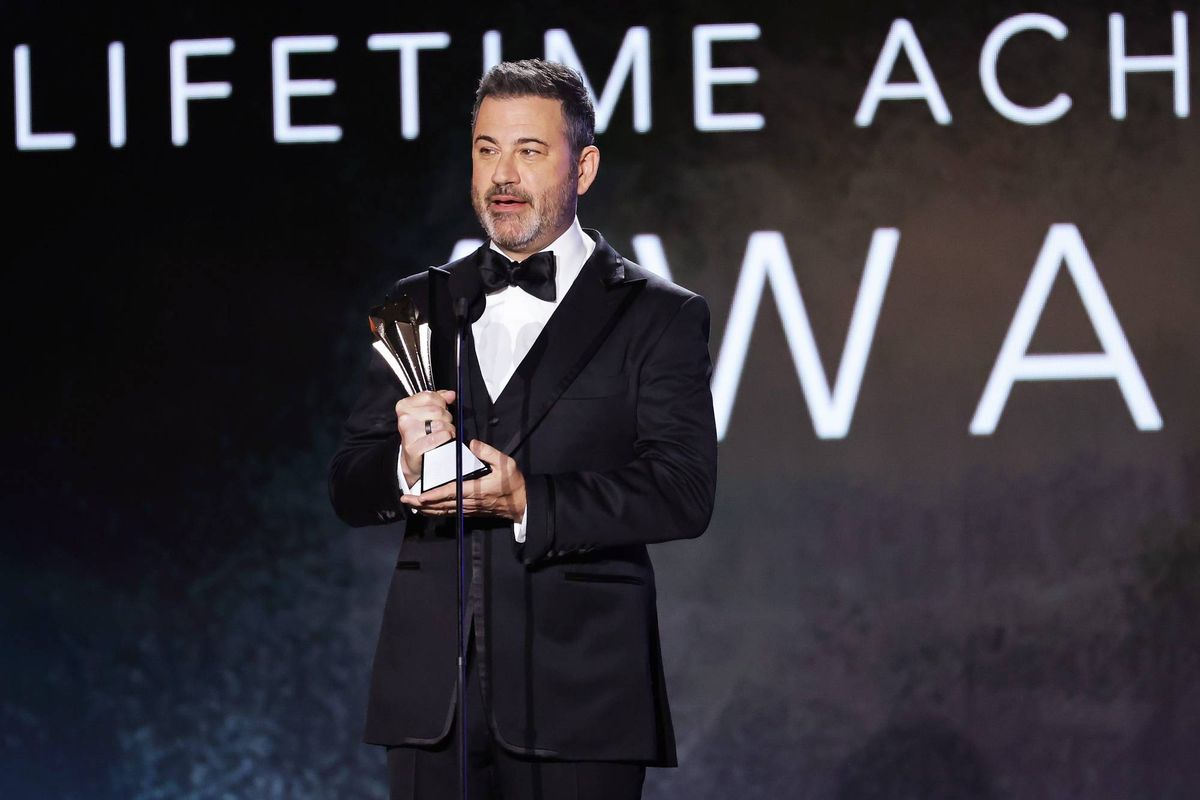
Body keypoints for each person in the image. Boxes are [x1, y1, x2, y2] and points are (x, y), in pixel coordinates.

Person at [329, 59, 718, 800]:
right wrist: (406, 468)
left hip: (581, 697)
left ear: (585, 165)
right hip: (432, 704)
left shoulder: (659, 315)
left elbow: (683, 491)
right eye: (486, 150)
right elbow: (350, 483)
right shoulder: (418, 303)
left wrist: (529, 500)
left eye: (529, 151)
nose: (502, 174)